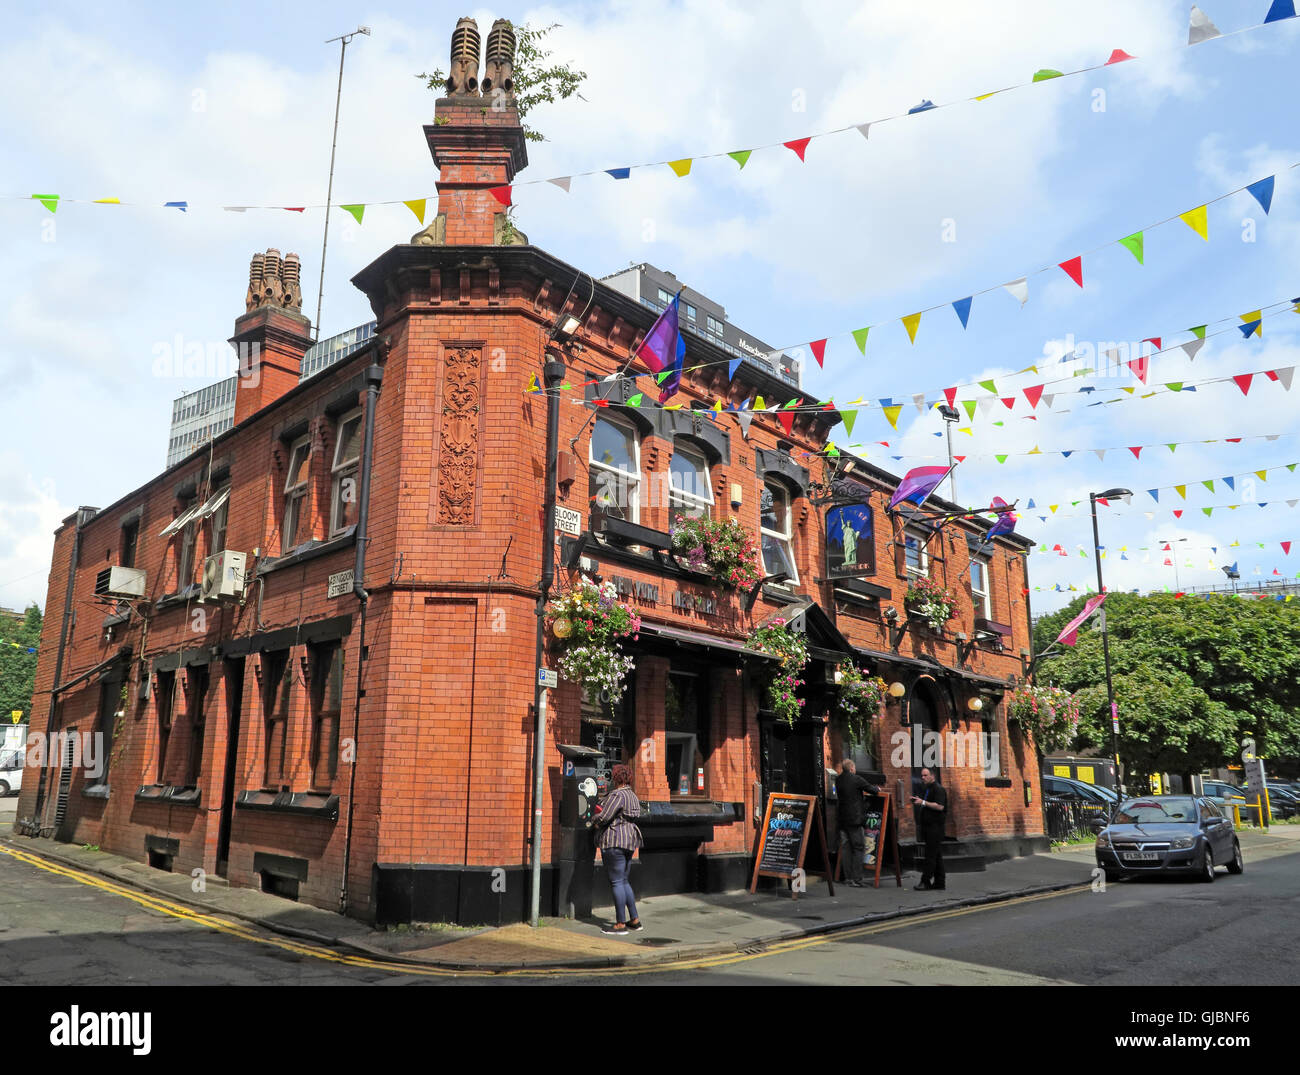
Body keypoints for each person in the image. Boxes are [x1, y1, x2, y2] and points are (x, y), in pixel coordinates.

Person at [593, 764, 643, 934]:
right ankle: (634, 920)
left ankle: (620, 924)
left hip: (615, 840)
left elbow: (605, 816)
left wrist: (594, 820)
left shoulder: (617, 794)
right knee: (623, 880)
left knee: (616, 882)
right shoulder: (632, 795)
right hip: (630, 841)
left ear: (616, 778)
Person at [834, 759, 880, 887]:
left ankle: (848, 878)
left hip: (842, 819)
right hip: (855, 820)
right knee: (858, 847)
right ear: (852, 768)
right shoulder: (856, 779)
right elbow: (873, 790)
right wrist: (877, 788)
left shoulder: (838, 780)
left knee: (845, 848)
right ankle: (857, 879)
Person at [910, 767, 947, 891]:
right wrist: (919, 801)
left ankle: (925, 882)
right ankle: (940, 882)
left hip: (935, 828)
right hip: (928, 827)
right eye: (922, 775)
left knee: (930, 856)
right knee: (936, 856)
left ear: (932, 776)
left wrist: (923, 803)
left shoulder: (938, 789)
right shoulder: (928, 789)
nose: (923, 778)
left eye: (925, 775)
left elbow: (940, 806)